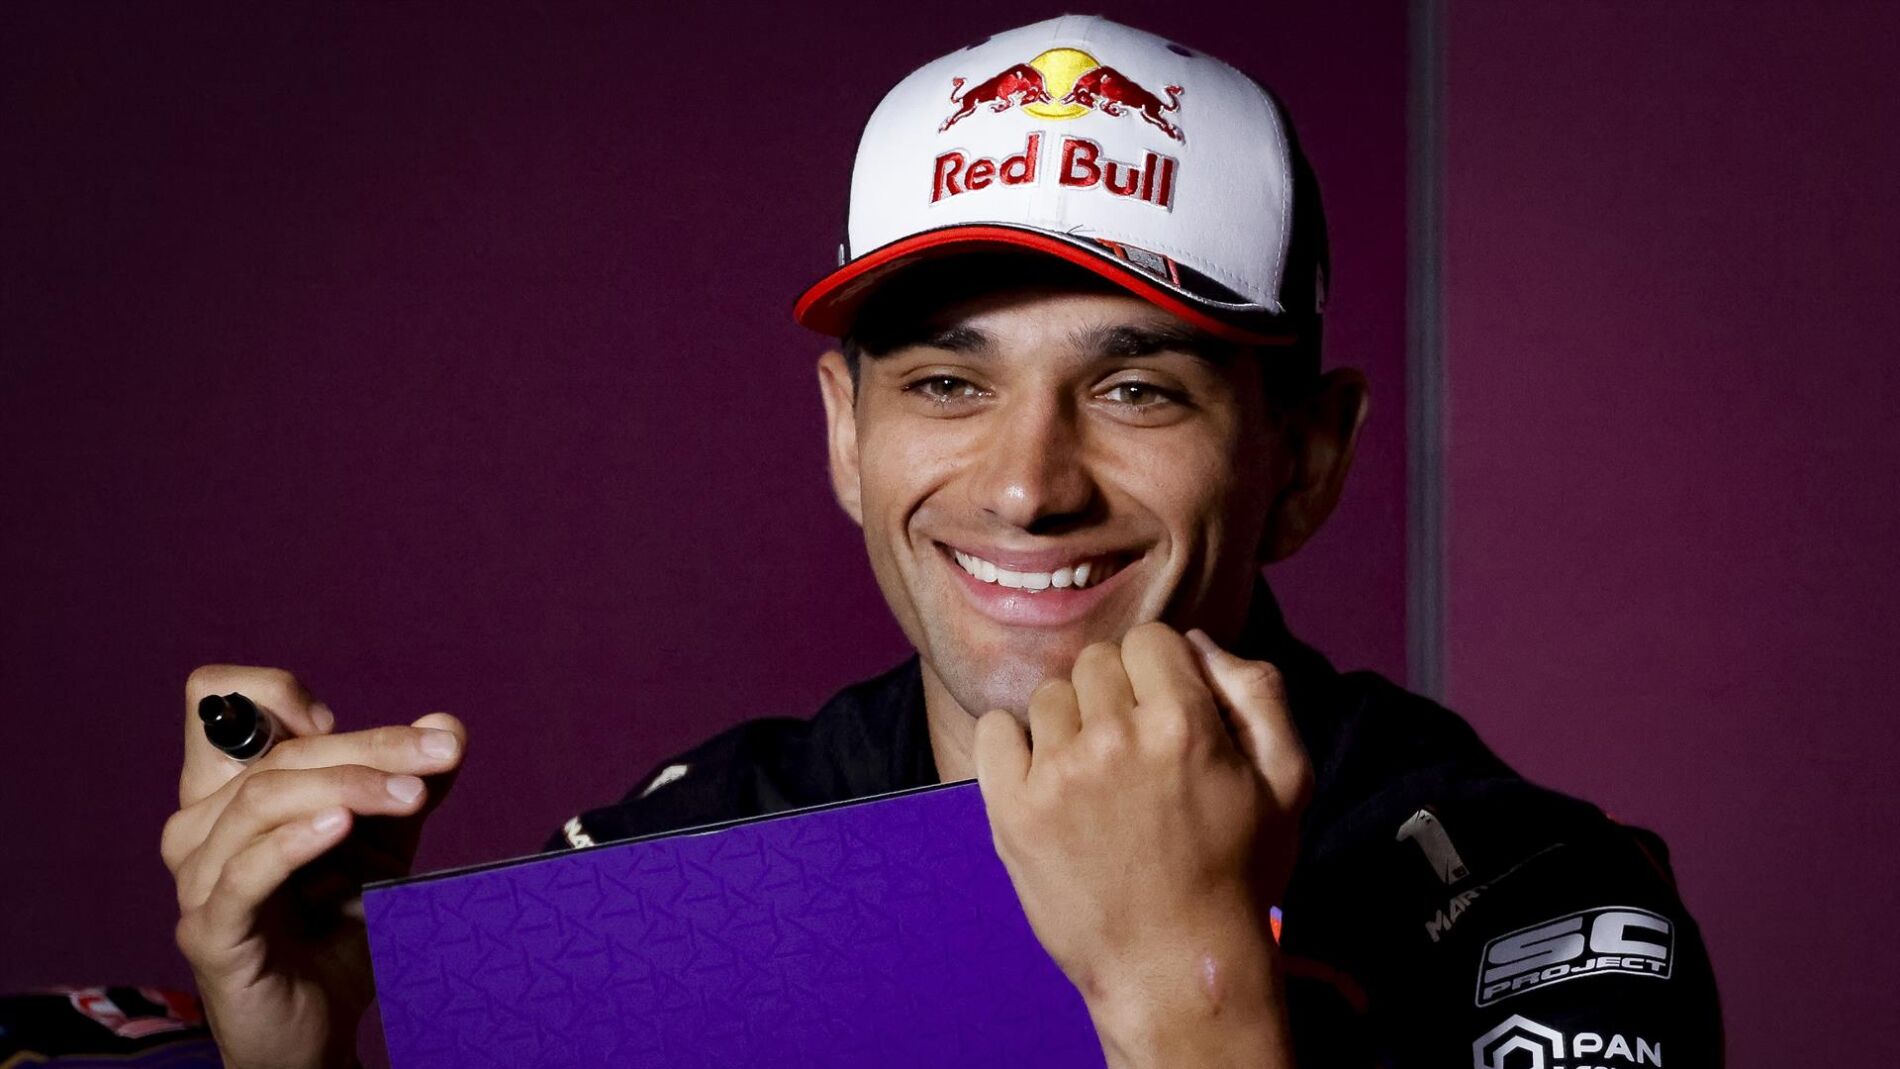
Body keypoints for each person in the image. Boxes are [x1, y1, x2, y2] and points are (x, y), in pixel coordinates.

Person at [160, 15, 1723, 1068]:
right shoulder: (685, 872)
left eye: (1135, 386)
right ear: (847, 436)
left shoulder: (1534, 911)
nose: (1027, 485)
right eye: (947, 383)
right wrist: (306, 1062)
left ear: (1305, 459)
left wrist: (1185, 989)